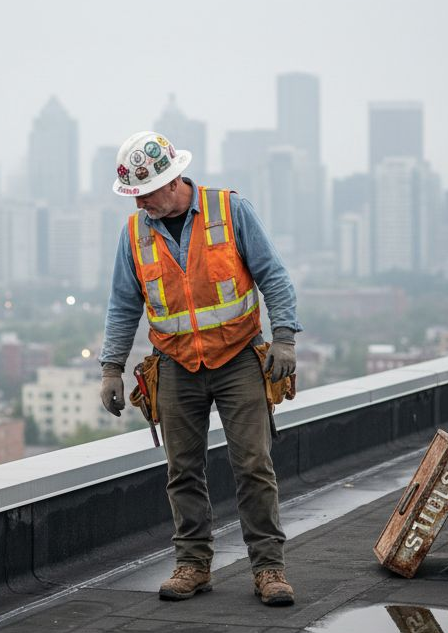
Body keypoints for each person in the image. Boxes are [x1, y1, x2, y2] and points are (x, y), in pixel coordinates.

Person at [98, 130, 301, 607]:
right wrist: (112, 368)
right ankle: (193, 564)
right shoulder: (135, 234)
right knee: (182, 469)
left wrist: (285, 338)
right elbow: (123, 305)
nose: (141, 204)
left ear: (172, 182)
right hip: (175, 365)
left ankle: (269, 569)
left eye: (146, 194)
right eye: (135, 196)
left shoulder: (229, 210)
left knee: (253, 464)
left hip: (237, 359)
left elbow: (273, 274)